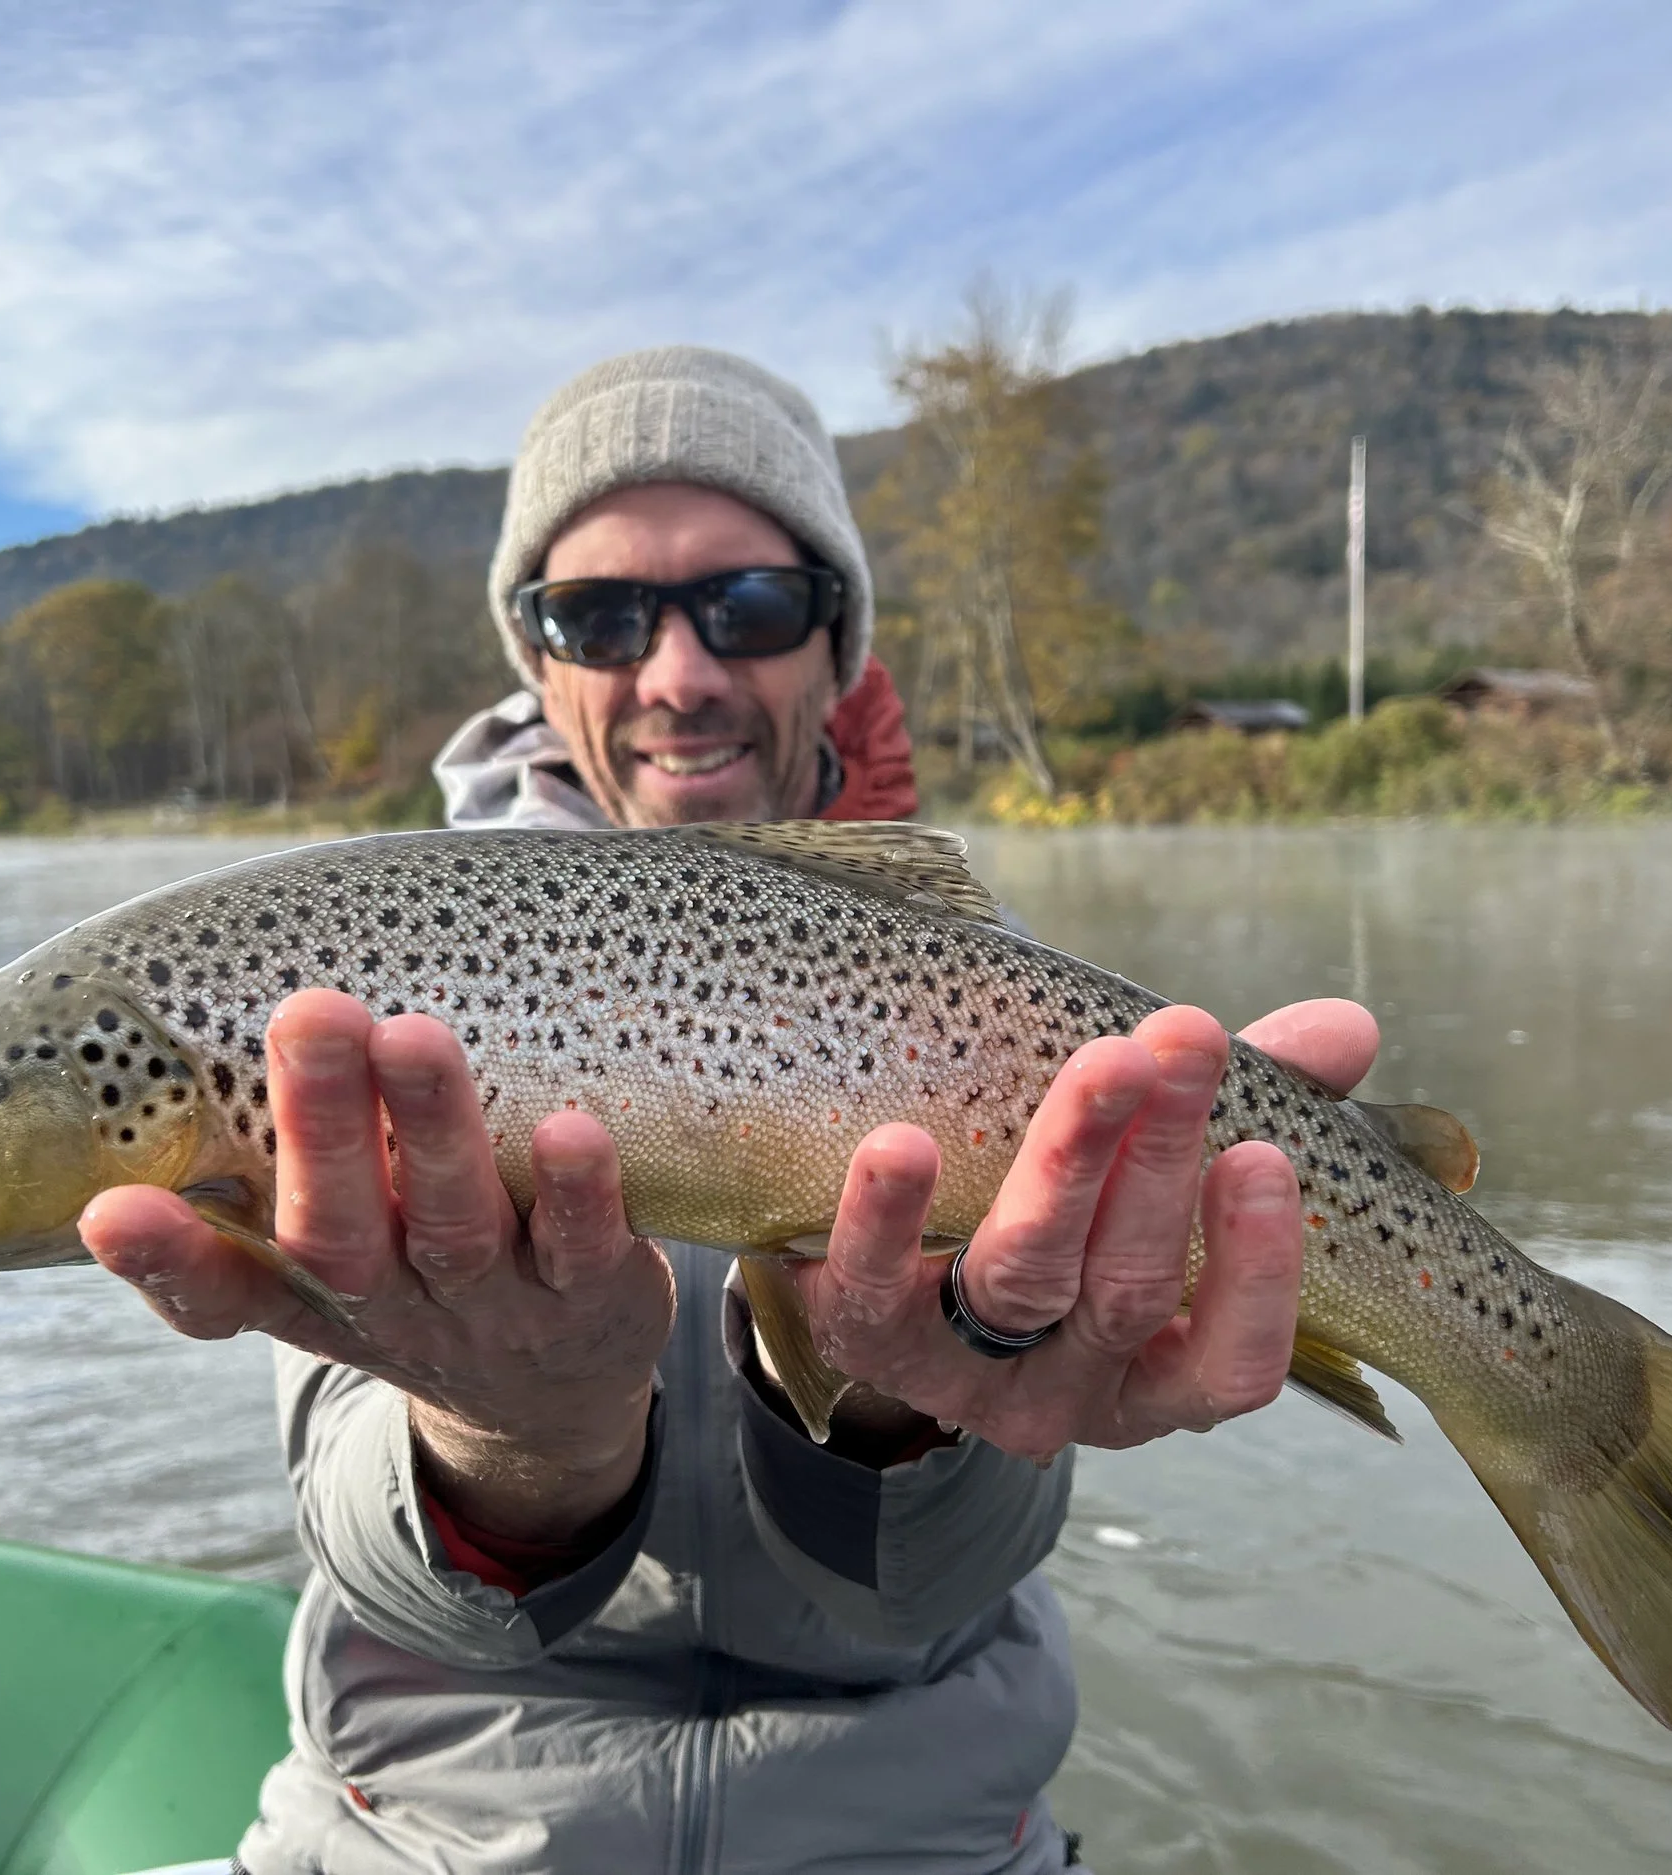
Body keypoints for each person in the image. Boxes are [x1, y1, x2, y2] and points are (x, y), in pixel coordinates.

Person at [80, 347, 1379, 1874]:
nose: (680, 673)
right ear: (536, 659)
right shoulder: (359, 977)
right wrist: (514, 1439)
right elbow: (399, 1585)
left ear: (836, 648)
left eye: (748, 607)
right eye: (603, 616)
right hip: (432, 1834)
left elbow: (929, 1592)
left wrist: (902, 1416)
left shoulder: (1004, 1022)